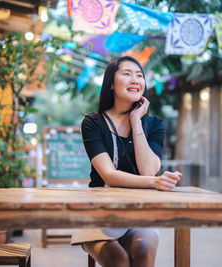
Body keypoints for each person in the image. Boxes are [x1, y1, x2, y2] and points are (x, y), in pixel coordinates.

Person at [71, 56, 182, 267]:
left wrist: (136, 121)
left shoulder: (155, 124)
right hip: (99, 211)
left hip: (139, 211)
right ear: (111, 83)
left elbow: (149, 170)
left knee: (143, 254)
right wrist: (155, 183)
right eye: (127, 74)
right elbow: (109, 176)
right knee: (119, 261)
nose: (135, 80)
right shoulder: (93, 123)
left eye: (139, 75)